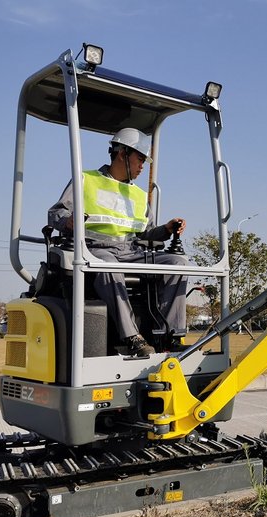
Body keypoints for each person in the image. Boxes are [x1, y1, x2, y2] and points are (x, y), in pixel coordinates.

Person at [48, 128, 188, 357]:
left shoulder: (140, 195)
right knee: (109, 265)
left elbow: (146, 234)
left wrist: (167, 229)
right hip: (95, 248)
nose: (143, 166)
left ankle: (170, 336)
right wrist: (69, 222)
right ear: (123, 153)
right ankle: (133, 337)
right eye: (140, 159)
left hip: (131, 251)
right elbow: (55, 213)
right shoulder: (86, 179)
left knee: (178, 262)